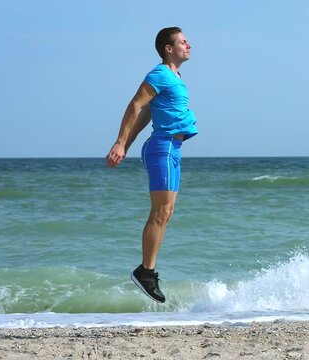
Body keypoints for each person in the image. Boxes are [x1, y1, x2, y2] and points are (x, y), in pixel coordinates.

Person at [106, 27, 197, 303]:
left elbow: (146, 113)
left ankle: (147, 270)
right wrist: (120, 142)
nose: (188, 45)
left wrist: (129, 144)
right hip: (164, 146)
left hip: (171, 148)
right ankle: (146, 272)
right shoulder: (159, 74)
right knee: (161, 211)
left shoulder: (174, 77)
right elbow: (135, 105)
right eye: (183, 42)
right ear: (168, 48)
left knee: (166, 212)